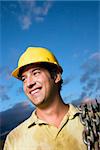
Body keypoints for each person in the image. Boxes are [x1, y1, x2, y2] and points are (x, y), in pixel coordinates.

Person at [4, 47, 87, 150]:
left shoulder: (91, 122)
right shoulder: (14, 140)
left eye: (36, 73)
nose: (29, 83)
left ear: (56, 76)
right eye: (24, 79)